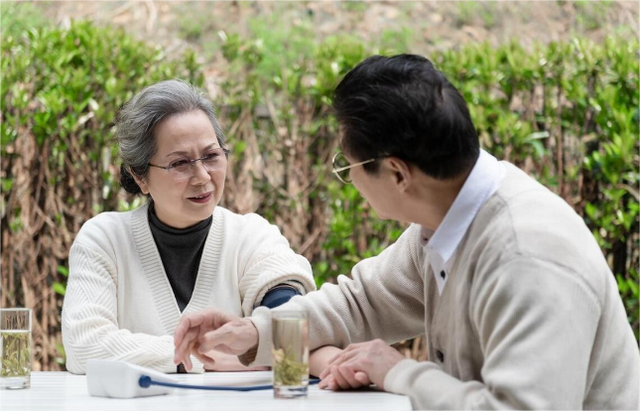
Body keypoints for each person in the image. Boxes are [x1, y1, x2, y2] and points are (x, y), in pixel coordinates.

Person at [173, 55, 640, 409]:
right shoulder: (441, 225)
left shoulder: (528, 254)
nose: (348, 178)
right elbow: (361, 302)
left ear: (396, 173)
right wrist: (252, 333)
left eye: (348, 165)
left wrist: (400, 373)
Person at [61, 80, 315, 374]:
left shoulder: (252, 236)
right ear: (140, 176)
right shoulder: (105, 239)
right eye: (180, 163)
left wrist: (260, 342)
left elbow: (289, 322)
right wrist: (207, 355)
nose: (202, 176)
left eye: (211, 156)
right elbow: (84, 346)